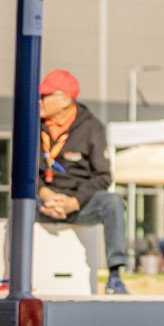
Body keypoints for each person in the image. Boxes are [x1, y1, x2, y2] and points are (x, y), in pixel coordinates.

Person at [36, 69, 129, 295]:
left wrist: (75, 201)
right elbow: (21, 173)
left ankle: (115, 277)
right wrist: (45, 194)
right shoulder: (32, 125)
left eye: (46, 96)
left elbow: (103, 176)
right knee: (17, 206)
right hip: (44, 200)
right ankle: (14, 275)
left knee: (113, 203)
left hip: (80, 202)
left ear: (66, 100)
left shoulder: (92, 127)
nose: (40, 101)